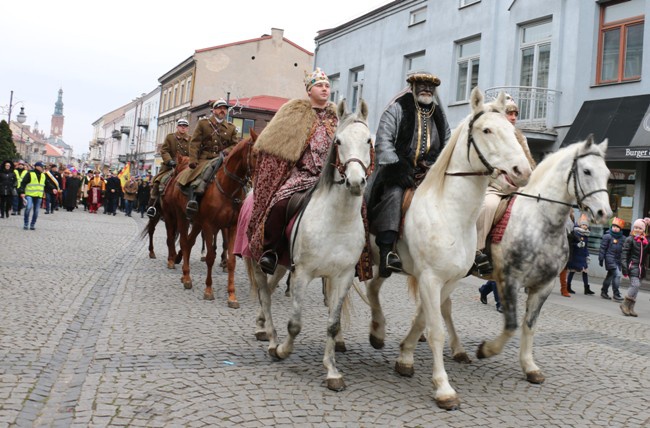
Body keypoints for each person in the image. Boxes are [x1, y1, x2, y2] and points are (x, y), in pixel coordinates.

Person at [247, 67, 338, 274]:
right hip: (302, 176)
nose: (325, 89)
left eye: (327, 86)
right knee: (279, 205)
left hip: (330, 177)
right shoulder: (294, 113)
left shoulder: (336, 118)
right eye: (319, 86)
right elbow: (275, 148)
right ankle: (270, 252)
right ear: (309, 90)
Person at [366, 71, 450, 277]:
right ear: (413, 86)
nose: (426, 89)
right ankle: (386, 250)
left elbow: (447, 144)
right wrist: (398, 169)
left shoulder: (439, 115)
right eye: (421, 84)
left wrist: (440, 169)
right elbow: (383, 143)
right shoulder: (397, 109)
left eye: (431, 86)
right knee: (394, 195)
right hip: (397, 171)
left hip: (429, 173)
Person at [474, 97, 537, 275]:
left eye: (516, 113)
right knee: (489, 206)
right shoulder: (492, 133)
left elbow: (529, 162)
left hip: (518, 189)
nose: (514, 117)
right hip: (496, 187)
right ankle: (477, 251)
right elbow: (487, 163)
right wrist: (497, 176)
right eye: (510, 113)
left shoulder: (520, 137)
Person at [176, 99, 238, 218]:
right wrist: (193, 160)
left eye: (224, 109)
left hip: (223, 159)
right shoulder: (203, 123)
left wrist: (226, 151)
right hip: (205, 158)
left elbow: (235, 144)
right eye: (219, 108)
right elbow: (195, 143)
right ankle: (193, 201)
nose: (222, 111)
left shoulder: (231, 127)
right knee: (199, 178)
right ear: (213, 110)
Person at [145, 118, 191, 218]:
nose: (183, 128)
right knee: (158, 181)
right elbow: (164, 150)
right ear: (177, 127)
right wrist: (170, 161)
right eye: (181, 126)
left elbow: (193, 153)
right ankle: (152, 206)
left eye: (185, 126)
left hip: (185, 167)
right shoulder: (170, 137)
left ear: (187, 128)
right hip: (169, 166)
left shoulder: (191, 139)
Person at [620, 217, 650, 317]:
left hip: (642, 269)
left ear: (643, 230)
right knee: (635, 285)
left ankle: (630, 308)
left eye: (640, 228)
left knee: (636, 288)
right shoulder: (630, 239)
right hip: (632, 267)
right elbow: (624, 254)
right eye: (636, 227)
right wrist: (624, 268)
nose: (637, 229)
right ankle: (625, 304)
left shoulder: (645, 241)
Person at [599, 217, 625, 301]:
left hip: (618, 260)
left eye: (617, 227)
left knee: (610, 276)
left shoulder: (623, 238)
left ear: (620, 228)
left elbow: (624, 250)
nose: (615, 228)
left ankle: (604, 291)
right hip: (609, 258)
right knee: (617, 275)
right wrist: (601, 258)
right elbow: (602, 248)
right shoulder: (607, 236)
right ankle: (616, 294)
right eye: (613, 226)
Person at [567, 217, 595, 295]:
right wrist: (577, 244)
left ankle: (586, 288)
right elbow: (571, 244)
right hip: (575, 255)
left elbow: (586, 247)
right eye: (582, 225)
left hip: (582, 256)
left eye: (585, 225)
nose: (584, 226)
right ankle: (568, 286)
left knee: (585, 272)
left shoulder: (586, 235)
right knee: (572, 271)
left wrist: (588, 255)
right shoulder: (575, 233)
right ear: (579, 225)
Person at [18, 161, 46, 230]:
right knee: (28, 208)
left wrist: (53, 188)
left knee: (36, 211)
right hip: (29, 194)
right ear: (37, 167)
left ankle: (32, 224)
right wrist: (22, 192)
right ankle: (26, 223)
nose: (43, 168)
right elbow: (23, 183)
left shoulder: (43, 175)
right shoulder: (30, 173)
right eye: (42, 167)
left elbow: (46, 184)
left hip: (39, 195)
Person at [559, 210, 577, 297]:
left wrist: (576, 238)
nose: (573, 213)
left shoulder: (572, 220)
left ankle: (564, 289)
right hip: (559, 246)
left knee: (564, 268)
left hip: (568, 246)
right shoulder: (562, 218)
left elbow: (572, 232)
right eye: (572, 211)